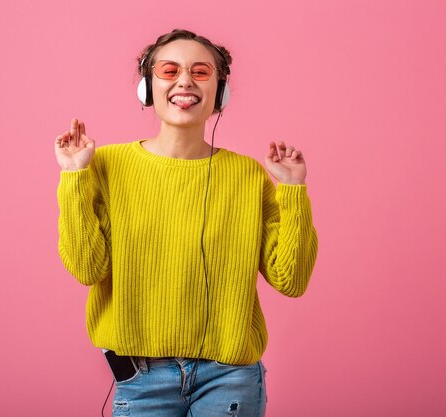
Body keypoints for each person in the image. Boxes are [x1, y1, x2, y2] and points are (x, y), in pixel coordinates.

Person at [54, 28, 318, 417]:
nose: (184, 82)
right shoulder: (104, 166)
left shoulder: (248, 176)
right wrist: (74, 177)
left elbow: (291, 280)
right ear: (147, 87)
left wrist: (293, 189)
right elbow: (86, 268)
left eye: (200, 72)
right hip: (141, 379)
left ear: (219, 92)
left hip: (230, 377)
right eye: (168, 70)